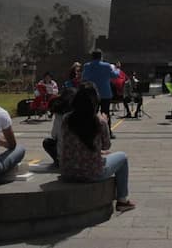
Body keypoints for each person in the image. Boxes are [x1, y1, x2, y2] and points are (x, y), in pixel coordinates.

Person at [58, 82, 135, 213]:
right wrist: (105, 121)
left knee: (105, 155)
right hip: (91, 173)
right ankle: (122, 200)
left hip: (68, 171)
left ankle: (122, 200)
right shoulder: (99, 121)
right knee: (122, 157)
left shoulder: (66, 119)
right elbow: (106, 145)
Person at [81, 49, 120, 139]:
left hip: (92, 93)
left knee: (92, 113)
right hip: (105, 93)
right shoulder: (106, 66)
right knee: (105, 113)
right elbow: (115, 75)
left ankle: (91, 132)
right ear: (101, 56)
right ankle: (108, 133)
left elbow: (83, 78)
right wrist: (117, 68)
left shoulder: (87, 66)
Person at [42, 86, 76, 167]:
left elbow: (54, 135)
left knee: (47, 142)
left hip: (64, 156)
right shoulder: (79, 113)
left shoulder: (58, 115)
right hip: (79, 157)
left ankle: (58, 161)